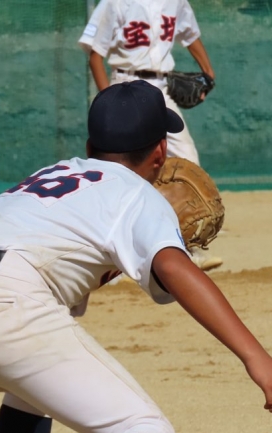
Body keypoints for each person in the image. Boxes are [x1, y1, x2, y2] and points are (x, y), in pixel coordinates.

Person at [0, 80, 272, 433]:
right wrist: (256, 357)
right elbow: (174, 268)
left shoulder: (51, 176)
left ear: (89, 146)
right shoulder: (138, 194)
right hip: (2, 301)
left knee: (30, 393)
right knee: (145, 430)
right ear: (161, 152)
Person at [78, 0, 222, 271]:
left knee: (187, 160)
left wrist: (208, 71)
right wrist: (109, 99)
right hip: (125, 84)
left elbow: (190, 33)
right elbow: (96, 55)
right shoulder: (116, 3)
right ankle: (112, 250)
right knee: (120, 169)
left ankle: (186, 246)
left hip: (160, 88)